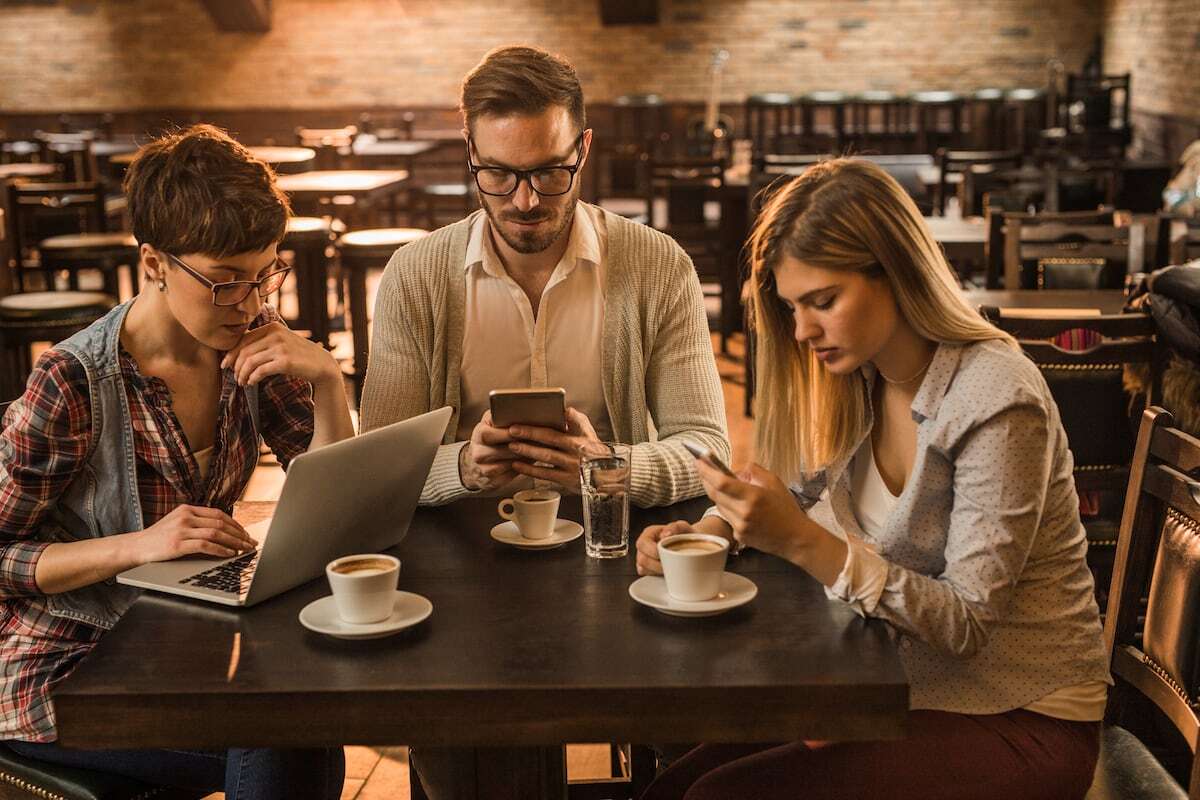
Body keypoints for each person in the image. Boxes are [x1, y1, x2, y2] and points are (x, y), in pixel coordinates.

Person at [635, 159, 1111, 800]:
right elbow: (790, 488)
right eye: (792, 307)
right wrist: (709, 530)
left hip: (1023, 717)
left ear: (895, 273)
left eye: (823, 302)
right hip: (893, 690)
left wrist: (804, 541)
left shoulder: (996, 395)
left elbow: (966, 623)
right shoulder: (864, 376)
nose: (802, 331)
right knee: (676, 786)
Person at [0, 125, 351, 799]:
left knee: (305, 709)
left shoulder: (248, 341)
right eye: (223, 282)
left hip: (172, 636)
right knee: (281, 731)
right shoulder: (73, 381)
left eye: (263, 274)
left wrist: (329, 382)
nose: (250, 303)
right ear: (154, 262)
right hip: (60, 661)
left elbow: (333, 509)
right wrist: (137, 547)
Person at [359, 44, 729, 507]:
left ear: (584, 148)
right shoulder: (414, 275)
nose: (525, 202)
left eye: (551, 173)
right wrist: (462, 468)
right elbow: (376, 465)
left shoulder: (658, 266)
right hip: (457, 551)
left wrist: (605, 468)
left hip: (608, 545)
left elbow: (707, 449)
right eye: (497, 173)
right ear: (471, 152)